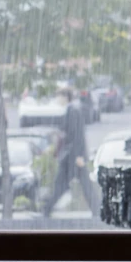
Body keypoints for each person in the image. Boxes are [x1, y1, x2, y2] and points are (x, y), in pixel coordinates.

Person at [43, 88, 97, 217]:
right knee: (80, 184)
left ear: (65, 97)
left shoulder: (73, 111)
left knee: (66, 184)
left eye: (58, 96)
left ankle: (46, 210)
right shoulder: (72, 110)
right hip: (71, 155)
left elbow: (76, 135)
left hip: (72, 156)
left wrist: (78, 156)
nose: (57, 99)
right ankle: (97, 210)